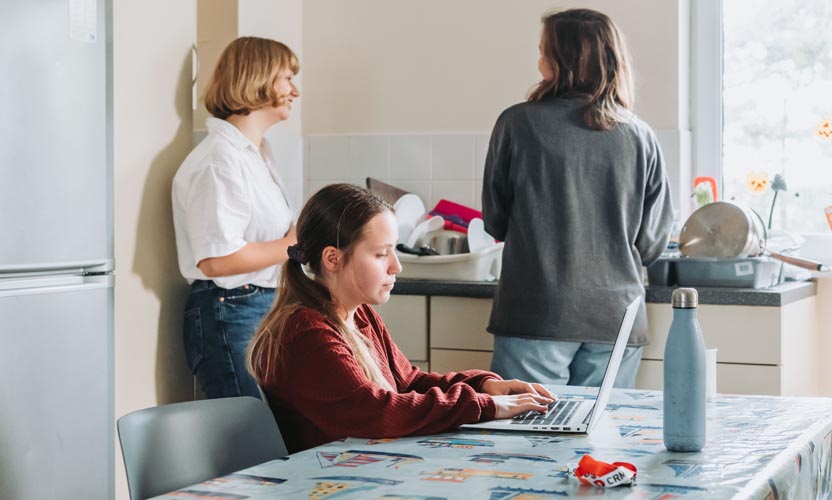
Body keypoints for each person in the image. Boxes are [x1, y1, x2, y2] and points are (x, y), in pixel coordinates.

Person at [247, 183, 555, 452]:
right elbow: (377, 412)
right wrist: (483, 406)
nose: (396, 266)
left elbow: (408, 382)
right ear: (332, 258)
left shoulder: (359, 315)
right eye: (381, 254)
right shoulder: (306, 332)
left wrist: (484, 386)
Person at [482, 9, 673, 389]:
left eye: (544, 51)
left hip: (536, 313)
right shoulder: (641, 136)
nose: (538, 61)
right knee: (599, 442)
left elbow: (495, 221)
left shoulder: (516, 124)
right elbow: (652, 245)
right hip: (617, 320)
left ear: (566, 59)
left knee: (526, 441)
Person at [172, 37, 300, 399]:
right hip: (230, 311)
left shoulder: (256, 154)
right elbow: (216, 260)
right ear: (257, 79)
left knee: (269, 437)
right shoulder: (219, 159)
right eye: (286, 78)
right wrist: (293, 244)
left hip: (260, 306)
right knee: (248, 440)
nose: (295, 90)